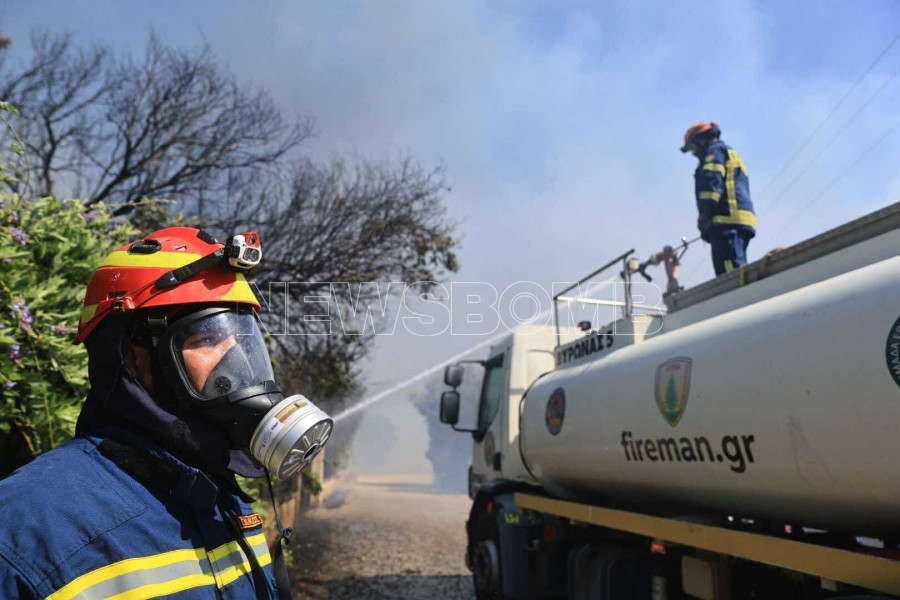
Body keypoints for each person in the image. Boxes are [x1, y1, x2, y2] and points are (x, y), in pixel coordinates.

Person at [0, 227, 332, 599]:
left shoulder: (218, 495)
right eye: (207, 339)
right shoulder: (29, 525)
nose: (237, 364)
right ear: (132, 358)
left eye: (241, 338)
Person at [681, 121, 757, 276]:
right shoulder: (727, 152)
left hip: (725, 223)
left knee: (730, 277)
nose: (694, 153)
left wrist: (704, 218)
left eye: (693, 148)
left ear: (701, 140)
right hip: (737, 221)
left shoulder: (713, 153)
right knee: (736, 269)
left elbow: (711, 186)